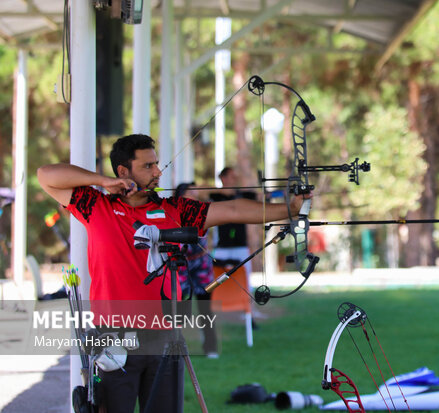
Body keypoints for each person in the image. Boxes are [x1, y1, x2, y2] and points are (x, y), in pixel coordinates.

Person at [37, 134, 309, 413]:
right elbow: (45, 175)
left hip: (166, 338)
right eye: (147, 166)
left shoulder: (175, 209)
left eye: (157, 164)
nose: (157, 172)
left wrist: (290, 208)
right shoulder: (98, 206)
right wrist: (104, 182)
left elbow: (233, 209)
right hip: (115, 338)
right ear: (123, 172)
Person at [174, 182, 218, 358]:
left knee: (205, 310)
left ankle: (211, 347)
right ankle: (175, 347)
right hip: (181, 270)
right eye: (189, 192)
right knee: (179, 311)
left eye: (194, 192)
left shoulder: (202, 213)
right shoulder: (173, 214)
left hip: (201, 270)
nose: (193, 195)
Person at [210, 167, 256, 279]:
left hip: (241, 245)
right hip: (221, 247)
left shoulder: (243, 196)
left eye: (236, 177)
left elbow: (263, 195)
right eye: (232, 176)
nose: (235, 179)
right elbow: (197, 191)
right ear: (223, 178)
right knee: (218, 281)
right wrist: (221, 191)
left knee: (245, 280)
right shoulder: (215, 196)